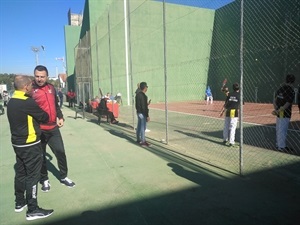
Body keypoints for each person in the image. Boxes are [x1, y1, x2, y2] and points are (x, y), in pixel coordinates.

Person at [7, 75, 54, 221]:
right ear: (26, 86)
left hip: (17, 144)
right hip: (30, 144)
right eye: (31, 85)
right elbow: (45, 117)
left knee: (20, 173)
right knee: (33, 176)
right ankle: (32, 209)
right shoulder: (27, 102)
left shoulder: (12, 100)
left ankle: (19, 203)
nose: (33, 88)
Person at [32, 65, 75, 192]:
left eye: (42, 76)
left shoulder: (51, 88)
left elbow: (55, 105)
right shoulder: (30, 90)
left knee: (60, 152)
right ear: (34, 76)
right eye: (37, 76)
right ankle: (44, 179)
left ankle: (64, 176)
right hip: (39, 129)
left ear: (47, 76)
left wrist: (60, 117)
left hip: (53, 128)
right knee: (41, 156)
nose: (39, 79)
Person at [272, 74, 296, 152]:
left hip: (279, 112)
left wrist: (276, 110)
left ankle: (279, 144)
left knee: (279, 128)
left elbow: (274, 100)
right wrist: (278, 111)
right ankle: (281, 146)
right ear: (293, 82)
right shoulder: (291, 91)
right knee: (283, 129)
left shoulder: (280, 89)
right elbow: (288, 103)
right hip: (285, 113)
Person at [219, 83, 240, 147]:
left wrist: (222, 111)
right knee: (232, 127)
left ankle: (225, 139)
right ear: (239, 88)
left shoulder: (229, 94)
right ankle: (231, 142)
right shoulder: (240, 95)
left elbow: (225, 104)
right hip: (234, 112)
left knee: (226, 126)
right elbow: (241, 105)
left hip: (228, 111)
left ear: (233, 88)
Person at [135, 82, 150, 146]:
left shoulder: (137, 95)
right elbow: (144, 107)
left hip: (138, 112)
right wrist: (147, 116)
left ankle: (138, 139)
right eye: (146, 87)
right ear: (144, 88)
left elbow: (139, 105)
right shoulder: (144, 96)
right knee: (143, 127)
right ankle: (143, 141)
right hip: (142, 113)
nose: (147, 88)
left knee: (139, 126)